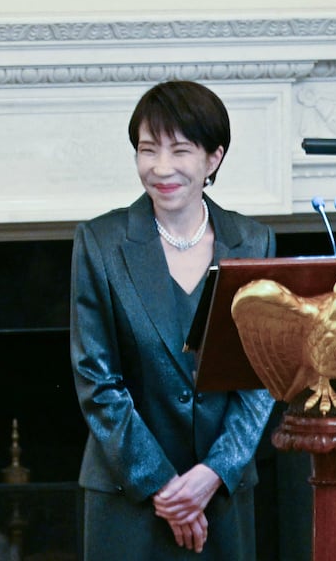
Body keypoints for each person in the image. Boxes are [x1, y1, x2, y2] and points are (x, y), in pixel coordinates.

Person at [70, 80, 275, 559]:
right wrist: (165, 487)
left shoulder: (254, 241)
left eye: (180, 150)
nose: (161, 168)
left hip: (221, 494)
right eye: (147, 150)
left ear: (213, 158)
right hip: (129, 498)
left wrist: (213, 474)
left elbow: (261, 377)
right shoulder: (100, 242)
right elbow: (96, 380)